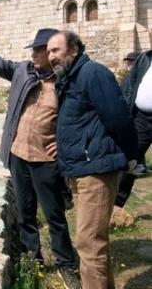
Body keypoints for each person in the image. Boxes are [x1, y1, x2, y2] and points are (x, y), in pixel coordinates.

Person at [0, 19, 79, 288]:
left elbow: (77, 118)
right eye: (32, 50)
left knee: (54, 215)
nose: (32, 55)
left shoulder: (65, 82)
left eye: (37, 51)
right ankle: (32, 259)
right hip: (19, 156)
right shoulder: (22, 71)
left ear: (50, 53)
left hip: (46, 161)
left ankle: (66, 264)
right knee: (25, 213)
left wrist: (65, 143)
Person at [47, 30, 138, 289]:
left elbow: (119, 119)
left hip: (95, 172)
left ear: (74, 50)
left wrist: (130, 156)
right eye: (49, 51)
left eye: (56, 50)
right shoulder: (70, 79)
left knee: (88, 244)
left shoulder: (92, 73)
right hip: (80, 170)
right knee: (93, 243)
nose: (50, 56)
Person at [116, 49, 151, 208]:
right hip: (141, 118)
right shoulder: (145, 59)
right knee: (130, 160)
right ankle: (117, 204)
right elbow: (131, 85)